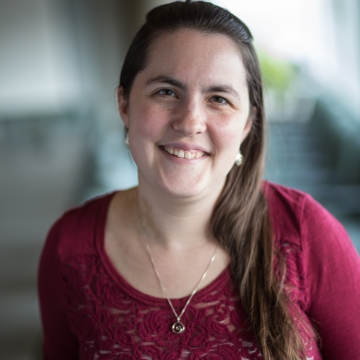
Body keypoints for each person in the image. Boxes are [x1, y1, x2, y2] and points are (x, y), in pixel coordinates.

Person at [37, 1, 360, 359]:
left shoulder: (306, 234)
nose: (190, 121)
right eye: (166, 92)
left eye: (218, 99)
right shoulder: (69, 248)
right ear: (124, 105)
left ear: (248, 123)